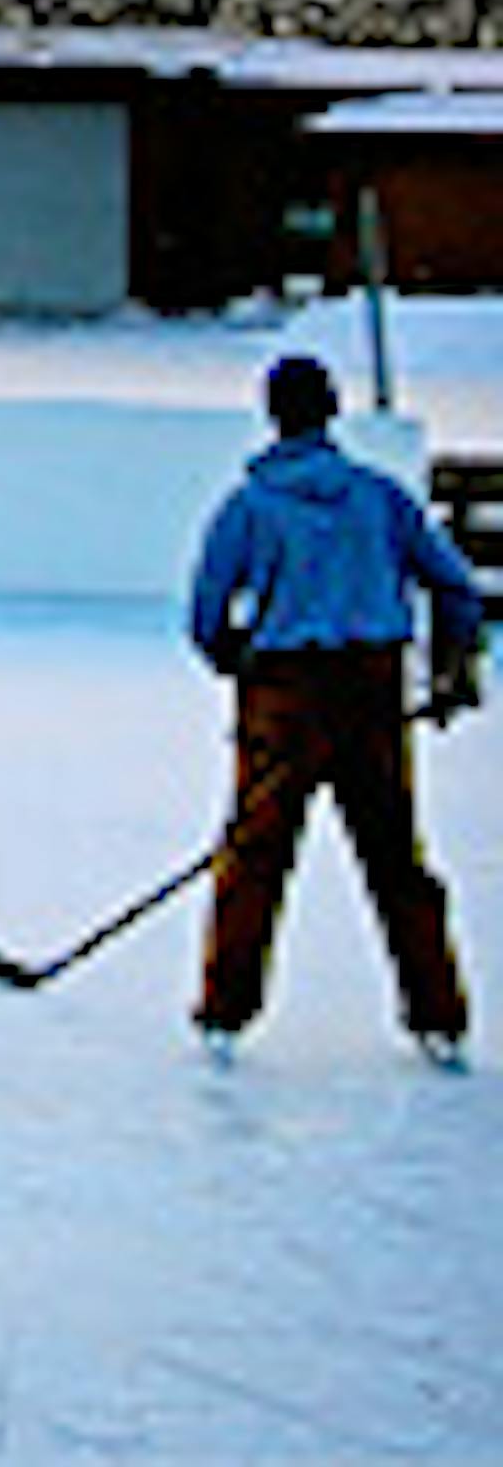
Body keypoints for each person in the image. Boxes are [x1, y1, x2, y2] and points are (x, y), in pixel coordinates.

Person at [187, 352, 486, 1066]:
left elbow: (205, 614)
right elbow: (457, 588)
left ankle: (225, 1013)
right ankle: (437, 1015)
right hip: (370, 693)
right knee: (395, 860)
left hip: (284, 698)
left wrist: (237, 663)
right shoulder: (378, 497)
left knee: (255, 857)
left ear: (273, 415)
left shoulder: (248, 506)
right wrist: (451, 668)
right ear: (330, 412)